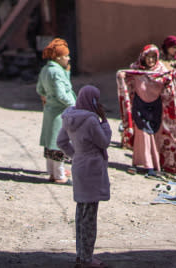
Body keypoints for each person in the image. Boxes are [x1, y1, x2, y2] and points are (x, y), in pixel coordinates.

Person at [57, 86, 111, 268]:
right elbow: (104, 142)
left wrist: (76, 155)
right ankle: (87, 259)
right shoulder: (91, 121)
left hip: (79, 166)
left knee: (81, 213)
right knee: (90, 217)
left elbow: (61, 142)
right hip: (92, 168)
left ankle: (82, 256)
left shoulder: (69, 117)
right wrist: (104, 119)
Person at [117, 45, 176, 175]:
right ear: (143, 57)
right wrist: (122, 76)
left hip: (156, 107)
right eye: (148, 57)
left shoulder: (161, 70)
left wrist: (172, 78)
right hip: (139, 106)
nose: (150, 60)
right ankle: (146, 165)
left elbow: (170, 84)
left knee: (155, 136)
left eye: (153, 57)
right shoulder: (135, 70)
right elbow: (125, 79)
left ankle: (155, 164)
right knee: (143, 135)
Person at [36, 38, 77, 184]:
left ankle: (52, 173)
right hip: (59, 113)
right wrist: (75, 104)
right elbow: (61, 94)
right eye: (66, 56)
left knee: (51, 143)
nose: (68, 58)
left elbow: (40, 89)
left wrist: (48, 98)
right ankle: (60, 176)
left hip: (50, 111)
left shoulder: (46, 69)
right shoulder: (56, 73)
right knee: (60, 144)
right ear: (58, 58)